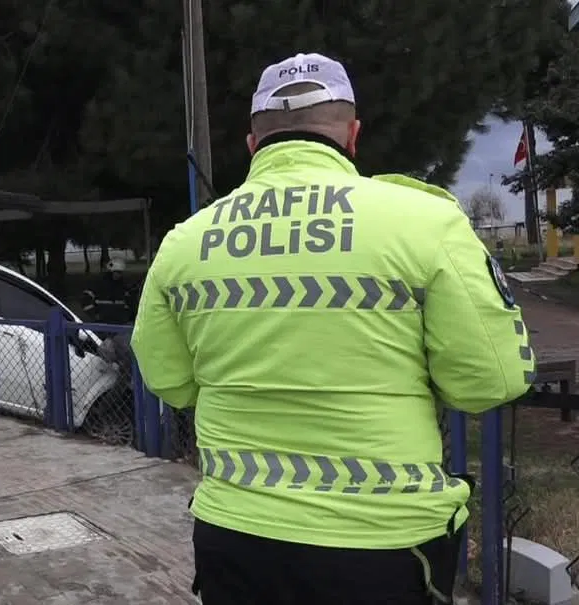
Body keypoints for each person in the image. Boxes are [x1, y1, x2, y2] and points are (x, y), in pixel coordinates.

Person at [131, 52, 534, 605]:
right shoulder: (425, 223)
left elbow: (169, 381)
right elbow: (493, 380)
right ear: (352, 135)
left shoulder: (185, 243)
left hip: (236, 539)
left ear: (254, 145)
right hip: (382, 548)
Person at [82, 258, 133, 324]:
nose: (119, 275)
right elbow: (86, 300)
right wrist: (94, 314)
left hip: (118, 321)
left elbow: (127, 302)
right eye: (117, 272)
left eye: (120, 272)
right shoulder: (99, 284)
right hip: (101, 322)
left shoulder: (122, 286)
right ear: (111, 271)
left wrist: (126, 316)